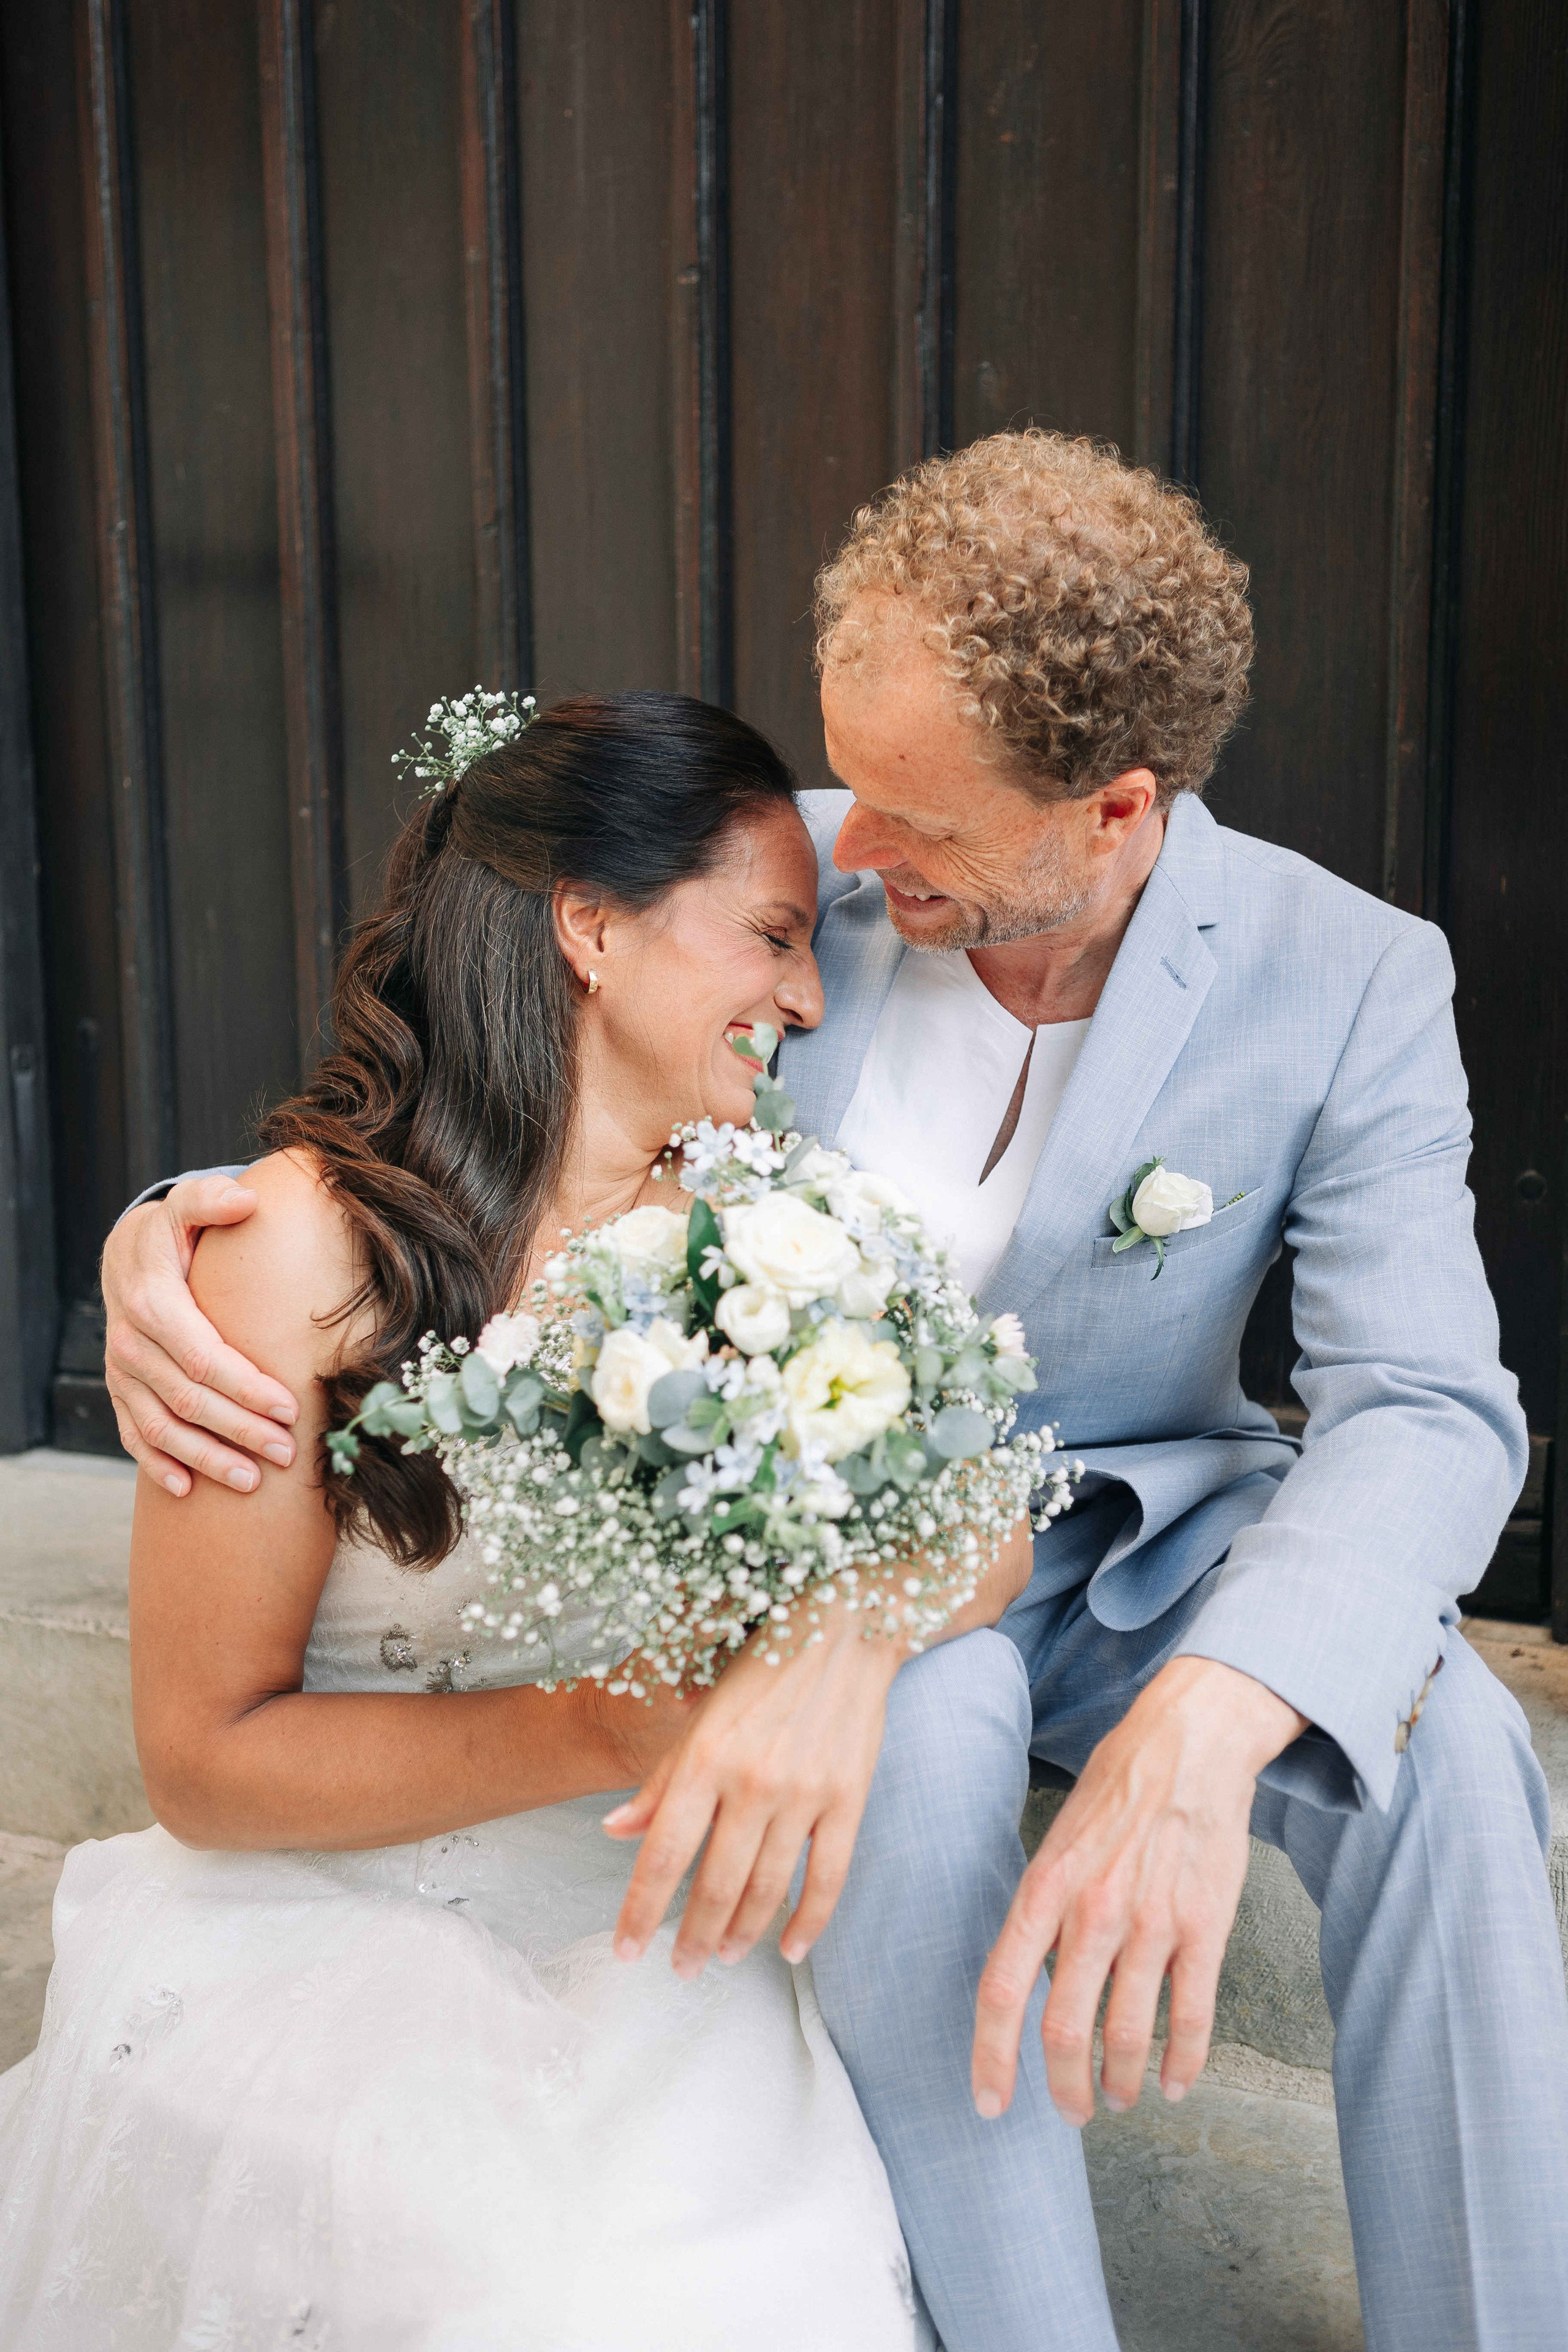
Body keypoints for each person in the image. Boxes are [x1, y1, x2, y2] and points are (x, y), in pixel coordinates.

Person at [99, 433, 1568, 2352]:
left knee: (1450, 1752)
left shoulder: (1349, 976)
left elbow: (1431, 1407)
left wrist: (1209, 1725)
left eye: (916, 818)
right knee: (927, 1756)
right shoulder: (762, 876)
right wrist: (167, 1243)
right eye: (846, 779)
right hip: (811, 1546)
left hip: (1141, 1542)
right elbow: (469, 1092)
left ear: (1114, 811)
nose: (853, 855)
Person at [1, 693, 1046, 2348]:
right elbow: (201, 1762)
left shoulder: (776, 1229)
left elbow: (997, 1528)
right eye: (773, 935)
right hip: (327, 1927)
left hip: (657, 1956)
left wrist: (841, 1636)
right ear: (589, 923)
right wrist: (599, 1728)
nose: (810, 995)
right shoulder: (289, 1256)